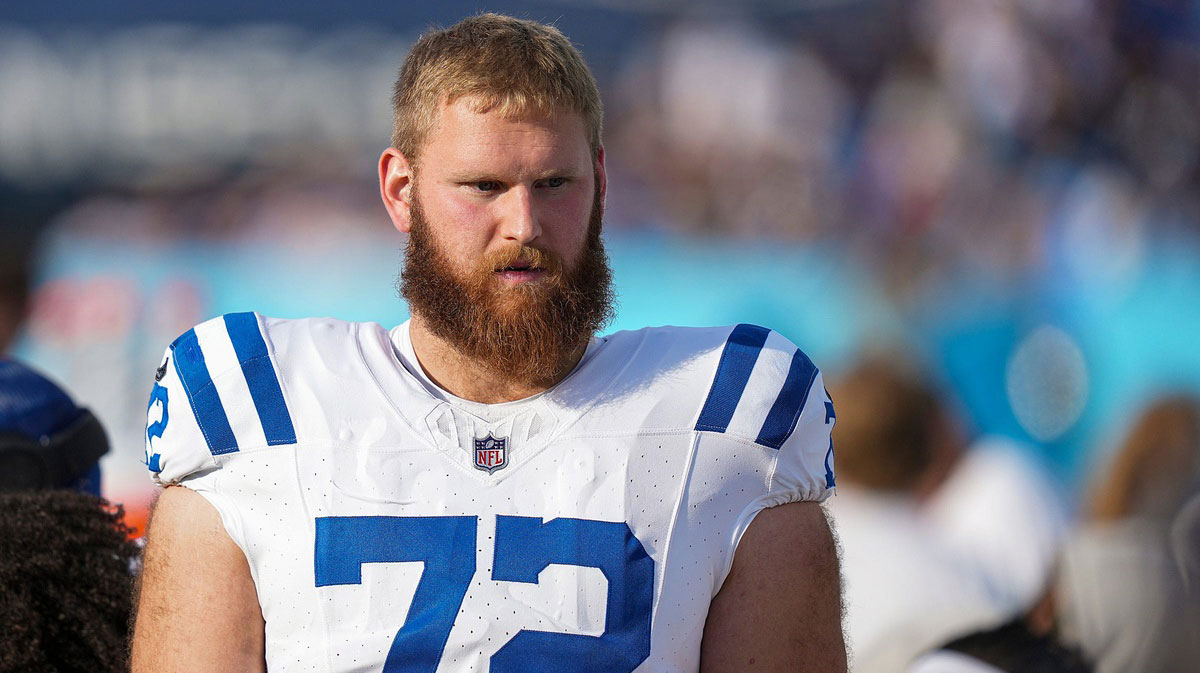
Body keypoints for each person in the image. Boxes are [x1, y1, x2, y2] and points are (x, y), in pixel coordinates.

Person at [131, 13, 845, 673]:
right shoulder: (253, 406)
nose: (524, 223)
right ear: (400, 190)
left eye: (554, 183)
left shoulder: (732, 416)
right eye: (484, 185)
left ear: (599, 181)